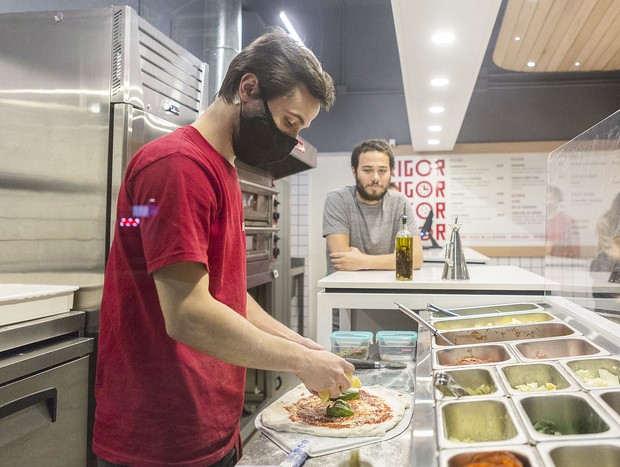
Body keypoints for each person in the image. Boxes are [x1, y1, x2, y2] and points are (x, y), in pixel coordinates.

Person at [93, 28, 354, 467]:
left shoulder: (222, 168)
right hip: (158, 439)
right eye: (289, 122)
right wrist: (299, 361)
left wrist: (305, 349)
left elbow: (226, 297)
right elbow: (188, 313)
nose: (289, 140)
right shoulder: (176, 166)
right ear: (247, 87)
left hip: (207, 425)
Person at [322, 139, 424, 274]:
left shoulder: (400, 202)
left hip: (382, 289)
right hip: (344, 290)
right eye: (367, 170)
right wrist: (396, 260)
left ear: (391, 173)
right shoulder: (338, 200)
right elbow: (343, 261)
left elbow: (415, 259)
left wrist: (362, 261)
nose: (375, 177)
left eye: (382, 170)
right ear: (354, 171)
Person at [545, 186, 580, 258]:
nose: (547, 202)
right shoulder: (543, 222)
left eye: (550, 199)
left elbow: (548, 249)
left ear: (558, 201)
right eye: (546, 199)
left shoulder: (565, 220)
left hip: (561, 264)